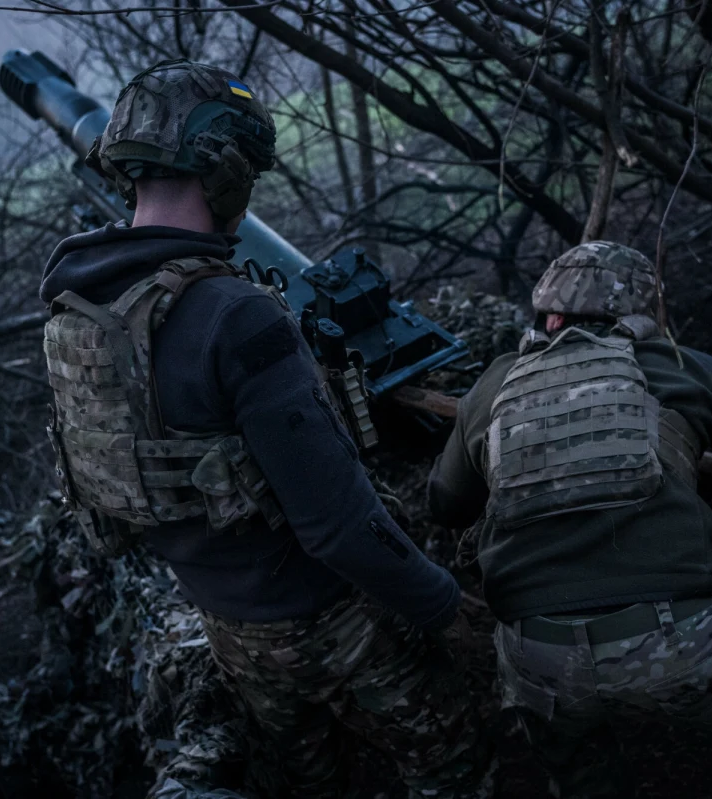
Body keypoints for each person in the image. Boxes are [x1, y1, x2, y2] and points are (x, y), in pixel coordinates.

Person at [38, 60, 480, 797]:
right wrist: (444, 607)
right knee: (457, 760)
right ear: (227, 166)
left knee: (310, 778)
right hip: (329, 621)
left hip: (225, 624)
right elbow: (337, 525)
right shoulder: (236, 316)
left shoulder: (79, 306)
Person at [428, 241, 712, 797]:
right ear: (645, 315)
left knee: (581, 778)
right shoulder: (677, 366)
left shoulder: (494, 385)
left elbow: (445, 505)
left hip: (538, 659)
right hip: (680, 643)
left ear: (548, 316)